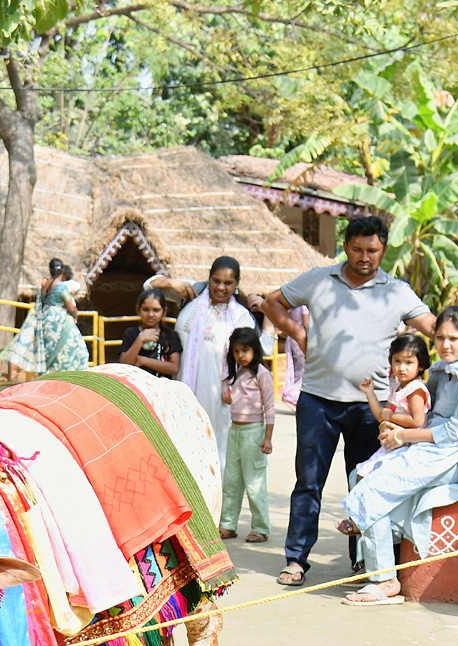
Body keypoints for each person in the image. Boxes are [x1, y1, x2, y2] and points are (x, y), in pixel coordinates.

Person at [260, 216, 436, 587]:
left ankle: (361, 560)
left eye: (372, 250)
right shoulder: (319, 279)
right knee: (308, 482)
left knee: (364, 483)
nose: (364, 257)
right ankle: (296, 560)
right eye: (357, 249)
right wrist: (299, 333)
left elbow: (434, 329)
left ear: (384, 249)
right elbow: (273, 303)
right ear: (346, 246)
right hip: (318, 400)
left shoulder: (397, 291)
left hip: (373, 408)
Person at [335, 306, 458, 605]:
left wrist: (403, 436)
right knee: (364, 474)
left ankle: (385, 580)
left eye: (454, 338)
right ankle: (380, 571)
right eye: (439, 338)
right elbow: (425, 412)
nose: (445, 345)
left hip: (455, 459)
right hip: (428, 448)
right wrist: (396, 431)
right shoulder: (444, 368)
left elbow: (455, 433)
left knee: (374, 489)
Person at [171, 257, 257, 469]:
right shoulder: (191, 305)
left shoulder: (242, 317)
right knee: (185, 439)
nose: (221, 287)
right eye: (216, 280)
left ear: (237, 284)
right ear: (208, 279)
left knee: (219, 442)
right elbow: (150, 285)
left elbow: (250, 360)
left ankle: (216, 495)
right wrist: (171, 283)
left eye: (228, 283)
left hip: (223, 394)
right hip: (188, 389)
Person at [347, 333, 432, 483]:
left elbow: (417, 421)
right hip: (393, 443)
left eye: (408, 362)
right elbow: (382, 415)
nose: (402, 368)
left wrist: (390, 417)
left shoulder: (415, 389)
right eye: (397, 361)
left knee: (373, 478)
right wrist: (370, 393)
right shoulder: (397, 388)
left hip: (408, 444)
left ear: (421, 365)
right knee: (361, 475)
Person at [219, 326, 274, 543]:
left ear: (255, 350)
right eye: (236, 351)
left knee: (254, 482)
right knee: (231, 480)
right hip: (235, 431)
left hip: (254, 432)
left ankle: (260, 527)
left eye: (245, 350)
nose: (240, 356)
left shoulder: (262, 374)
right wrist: (229, 400)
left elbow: (269, 407)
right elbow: (243, 399)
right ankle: (228, 525)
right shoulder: (238, 373)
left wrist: (267, 437)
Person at [0, 257, 89, 377]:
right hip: (60, 321)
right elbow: (71, 307)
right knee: (76, 348)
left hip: (46, 321)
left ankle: (48, 375)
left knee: (49, 349)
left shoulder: (45, 286)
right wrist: (76, 314)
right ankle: (68, 375)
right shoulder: (61, 287)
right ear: (62, 272)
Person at [118, 288, 181, 378]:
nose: (151, 314)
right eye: (146, 309)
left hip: (160, 387)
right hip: (136, 386)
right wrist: (140, 339)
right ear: (138, 309)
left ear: (164, 311)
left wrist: (143, 360)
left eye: (156, 310)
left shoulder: (170, 335)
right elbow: (124, 364)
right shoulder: (131, 333)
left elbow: (174, 367)